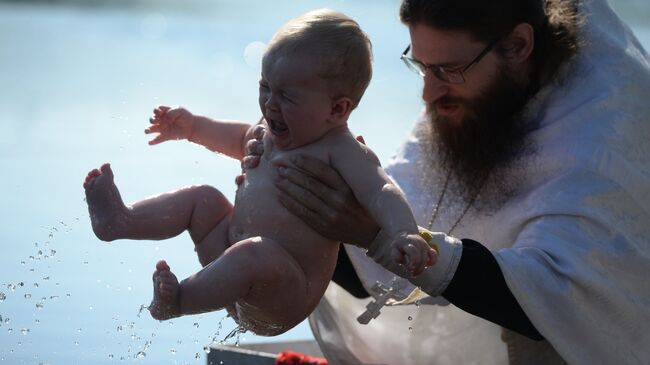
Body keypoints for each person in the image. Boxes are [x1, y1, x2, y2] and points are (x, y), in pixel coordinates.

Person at [243, 0, 650, 363]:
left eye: (447, 70)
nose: (428, 93)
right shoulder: (480, 89)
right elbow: (376, 277)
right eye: (420, 66)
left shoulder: (604, 137)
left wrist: (378, 238)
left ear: (519, 45)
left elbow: (566, 308)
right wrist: (292, 201)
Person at [82, 9, 435, 336]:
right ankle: (121, 221)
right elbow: (237, 136)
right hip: (230, 265)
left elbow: (380, 190)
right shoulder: (270, 130)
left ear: (337, 108)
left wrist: (404, 232)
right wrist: (191, 127)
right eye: (265, 87)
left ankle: (178, 301)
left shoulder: (342, 152)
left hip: (282, 293)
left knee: (257, 253)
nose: (269, 104)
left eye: (287, 96)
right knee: (203, 198)